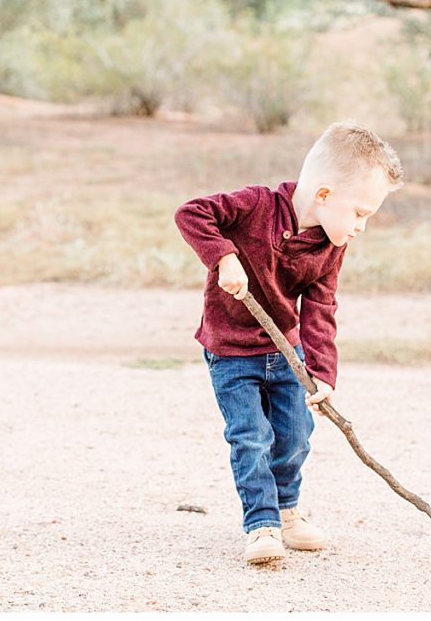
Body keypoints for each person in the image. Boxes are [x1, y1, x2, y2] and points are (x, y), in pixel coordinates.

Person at [173, 121, 404, 565]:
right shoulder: (255, 206)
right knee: (251, 437)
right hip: (231, 352)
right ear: (323, 196)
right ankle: (261, 524)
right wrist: (223, 257)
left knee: (296, 434)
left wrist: (321, 374)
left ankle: (286, 509)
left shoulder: (330, 246)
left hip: (287, 355)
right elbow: (191, 213)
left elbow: (321, 308)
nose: (360, 227)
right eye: (359, 214)